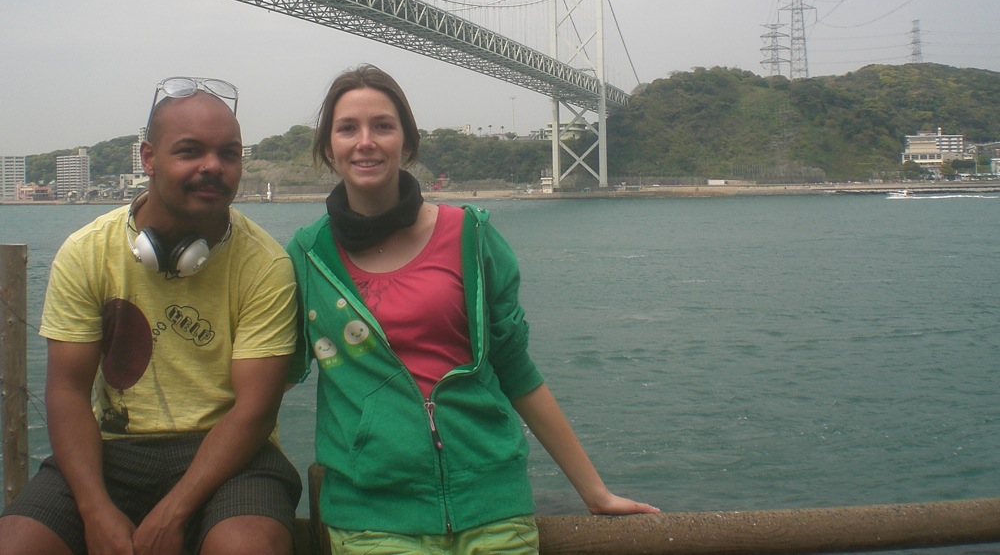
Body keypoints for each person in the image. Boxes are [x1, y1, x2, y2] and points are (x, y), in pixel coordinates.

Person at [286, 64, 659, 554]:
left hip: (491, 502)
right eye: (347, 128)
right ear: (328, 148)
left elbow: (516, 369)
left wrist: (594, 491)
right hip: (372, 514)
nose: (366, 141)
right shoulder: (307, 256)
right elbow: (270, 375)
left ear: (408, 142)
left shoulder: (469, 236)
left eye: (383, 125)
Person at [0, 77, 302, 555]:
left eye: (229, 153)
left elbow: (254, 410)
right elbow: (67, 390)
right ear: (148, 158)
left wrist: (174, 512)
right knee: (17, 543)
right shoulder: (87, 252)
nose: (213, 167)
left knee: (248, 547)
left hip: (229, 455)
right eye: (189, 151)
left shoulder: (265, 265)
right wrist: (95, 510)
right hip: (113, 450)